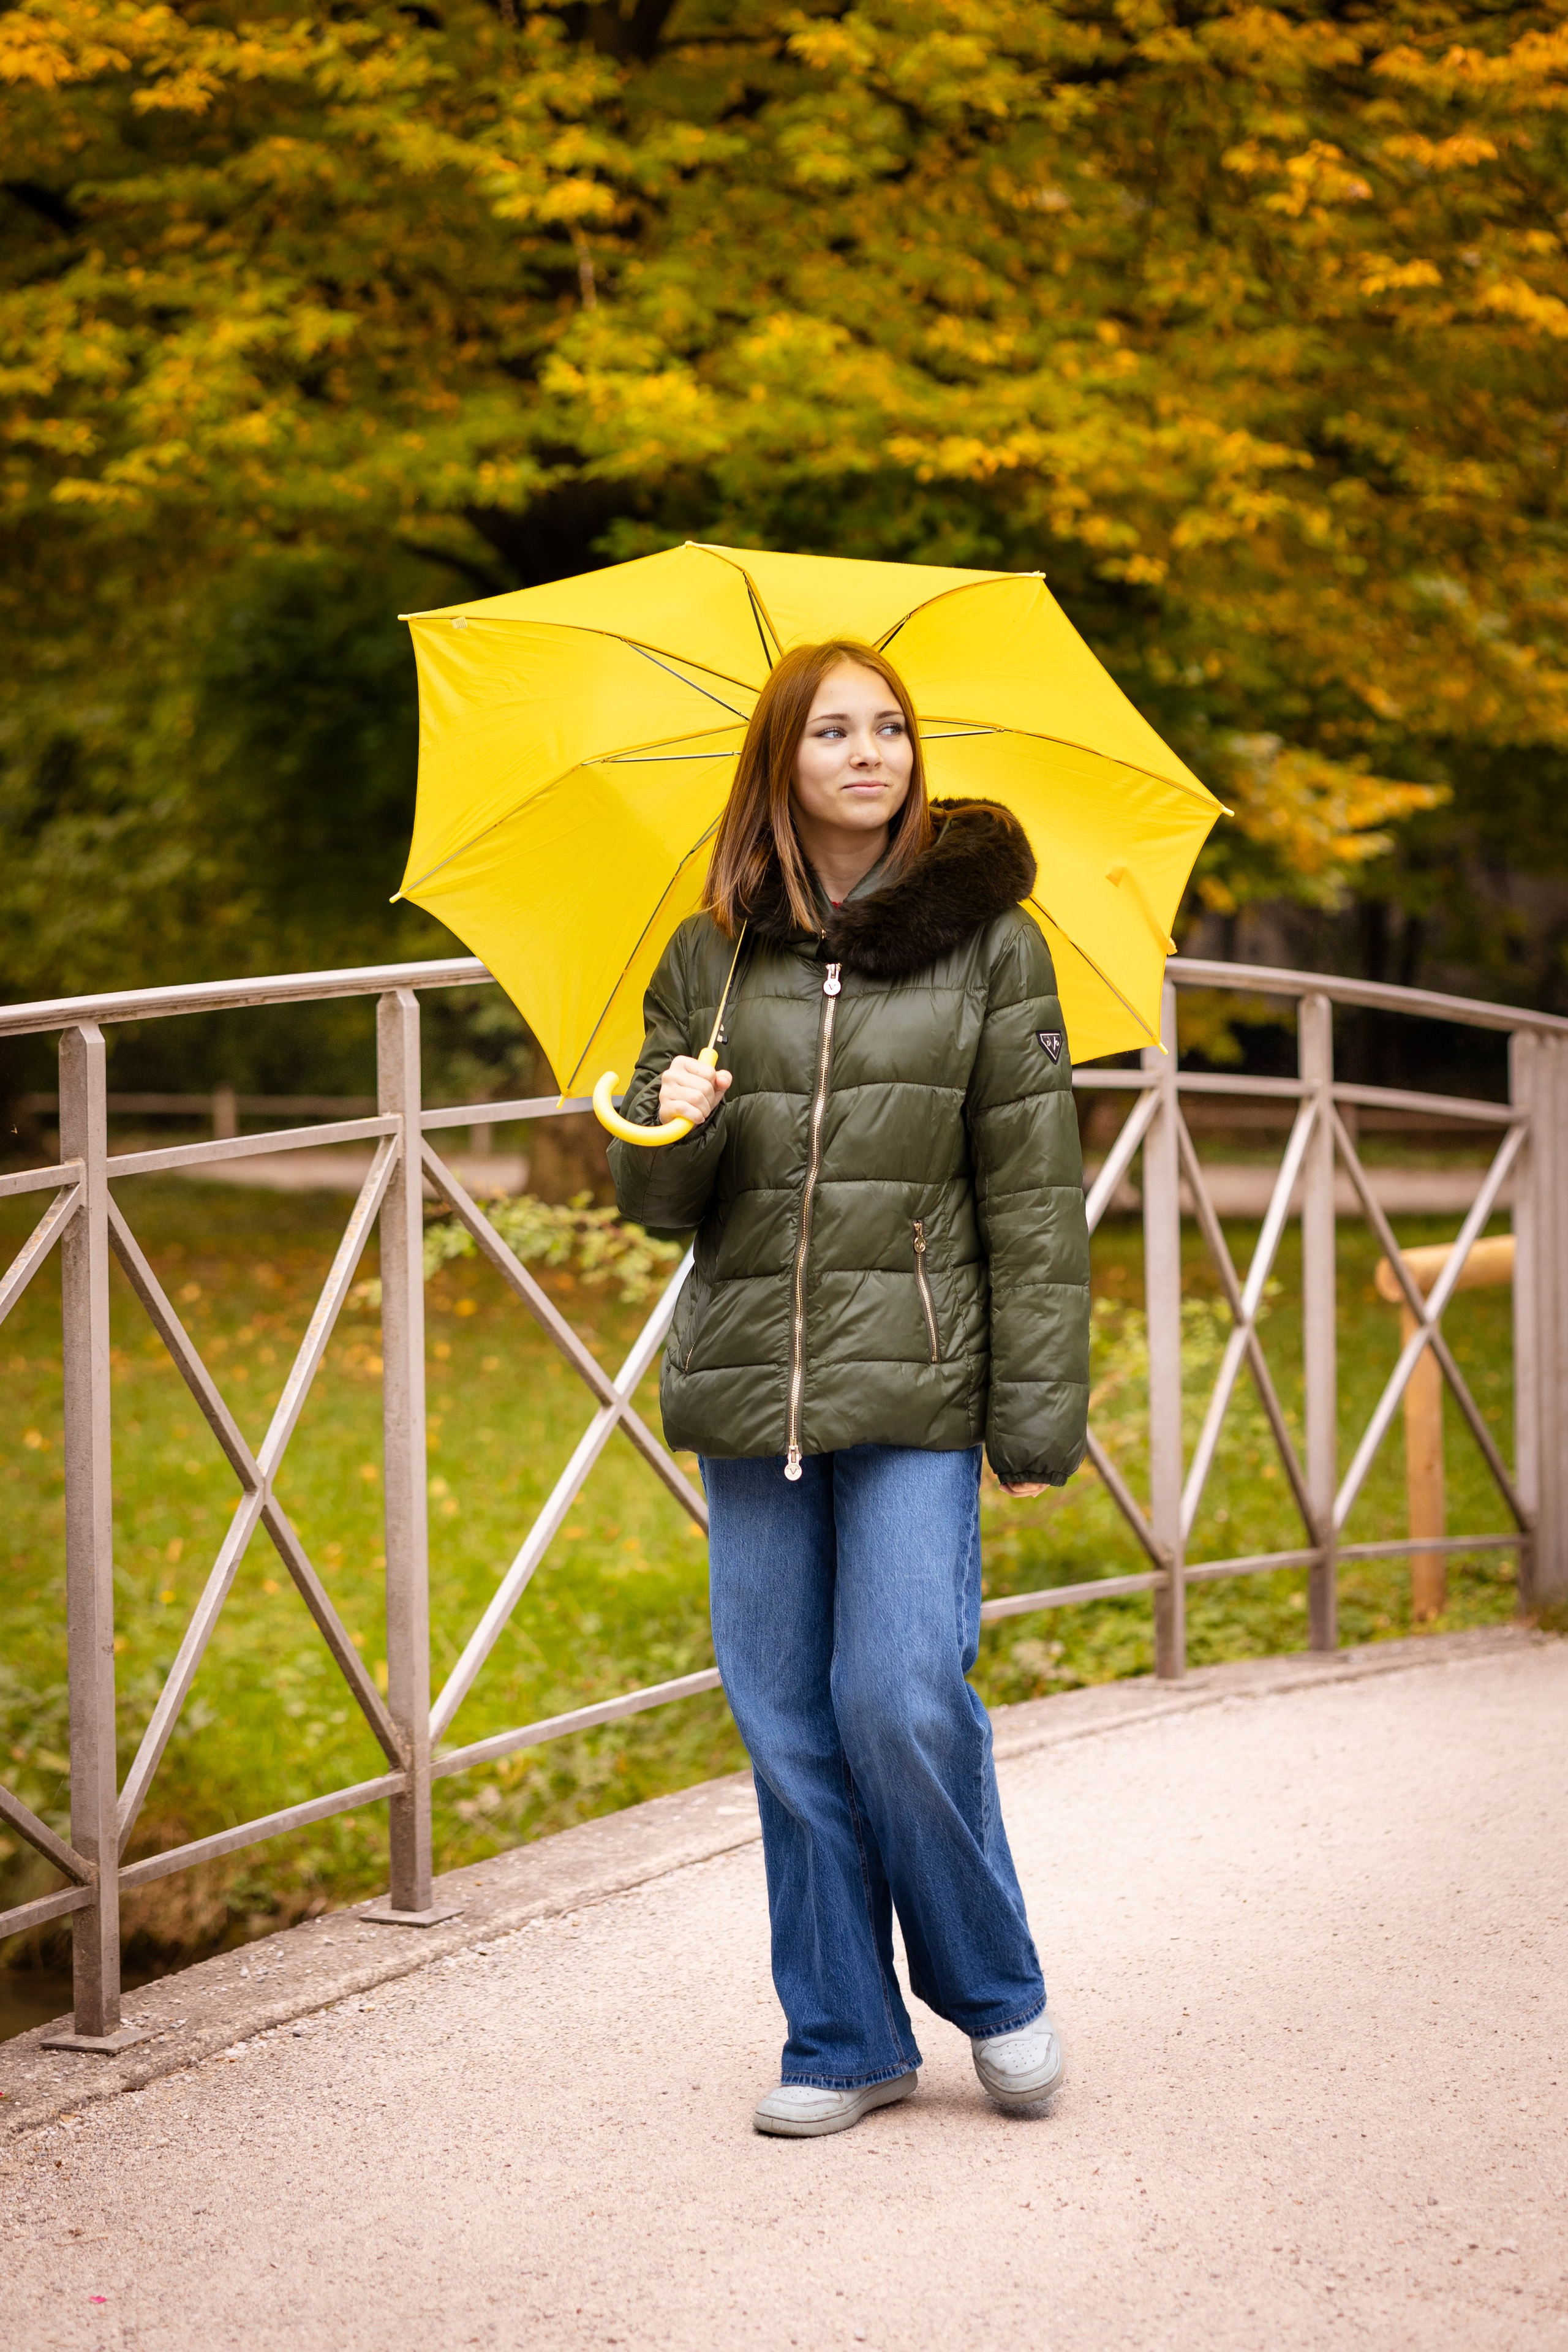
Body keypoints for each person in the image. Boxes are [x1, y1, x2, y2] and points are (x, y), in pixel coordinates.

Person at [608, 638, 1090, 2138]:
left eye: (889, 728)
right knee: (783, 1717)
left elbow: (1032, 1194)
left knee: (892, 1695)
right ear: (782, 761)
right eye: (834, 732)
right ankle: (842, 2036)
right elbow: (661, 1208)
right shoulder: (709, 954)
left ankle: (995, 1991)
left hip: (922, 1380)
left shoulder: (992, 947)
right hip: (753, 1383)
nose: (869, 753)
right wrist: (670, 1120)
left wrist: (1036, 1404)